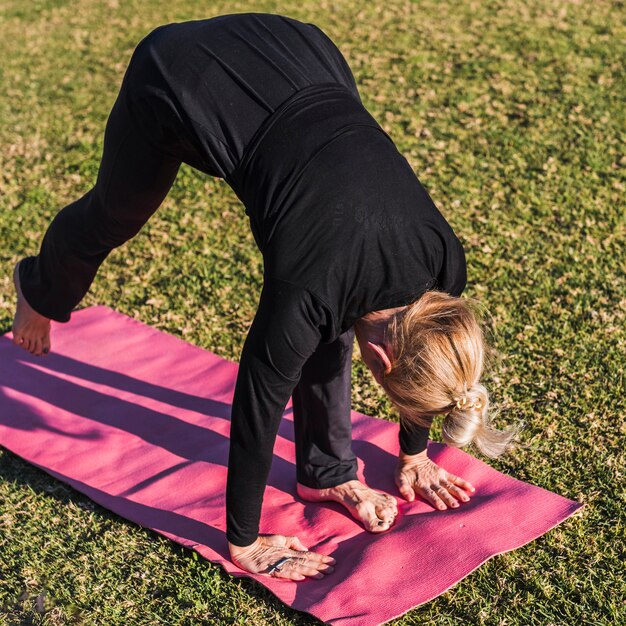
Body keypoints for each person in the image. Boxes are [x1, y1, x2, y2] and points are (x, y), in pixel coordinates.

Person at [10, 13, 521, 581]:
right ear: (380, 360)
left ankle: (324, 471)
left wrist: (415, 454)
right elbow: (256, 407)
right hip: (185, 74)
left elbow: (424, 354)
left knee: (338, 305)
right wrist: (246, 543)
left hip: (298, 54)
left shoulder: (443, 270)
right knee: (117, 212)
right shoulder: (310, 289)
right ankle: (38, 285)